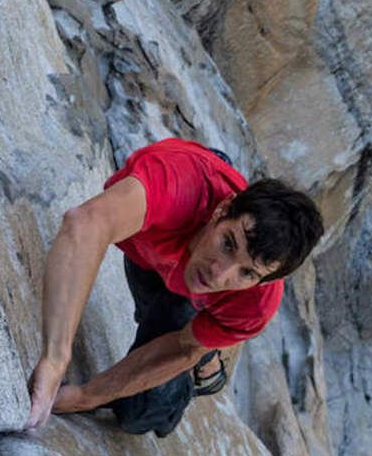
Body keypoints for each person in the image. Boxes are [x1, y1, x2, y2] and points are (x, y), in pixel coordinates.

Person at [25, 137, 323, 431]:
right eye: (228, 243)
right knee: (158, 303)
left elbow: (182, 349)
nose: (220, 274)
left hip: (192, 293)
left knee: (140, 410)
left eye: (247, 273)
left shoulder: (255, 303)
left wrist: (84, 398)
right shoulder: (178, 184)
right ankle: (218, 169)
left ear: (264, 280)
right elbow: (86, 224)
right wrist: (54, 359)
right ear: (222, 210)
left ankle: (207, 362)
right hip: (179, 219)